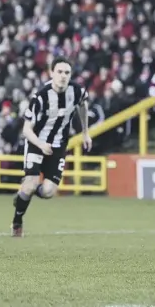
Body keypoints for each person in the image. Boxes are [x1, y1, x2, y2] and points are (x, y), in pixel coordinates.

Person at [11, 57, 92, 237]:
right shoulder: (40, 96)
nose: (63, 76)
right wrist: (40, 144)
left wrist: (86, 132)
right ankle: (17, 221)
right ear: (51, 73)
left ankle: (25, 193)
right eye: (59, 72)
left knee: (47, 192)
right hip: (36, 142)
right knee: (31, 183)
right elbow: (26, 129)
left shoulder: (76, 91)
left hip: (59, 145)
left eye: (67, 73)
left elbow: (84, 105)